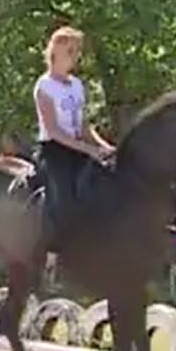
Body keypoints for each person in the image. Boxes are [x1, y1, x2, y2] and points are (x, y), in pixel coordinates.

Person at [31, 25, 112, 248]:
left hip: (79, 147)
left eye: (77, 51)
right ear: (55, 53)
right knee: (65, 200)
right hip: (55, 150)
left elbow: (83, 126)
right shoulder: (44, 86)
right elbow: (54, 130)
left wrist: (105, 147)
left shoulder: (77, 85)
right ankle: (55, 254)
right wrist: (88, 150)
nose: (75, 57)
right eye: (70, 51)